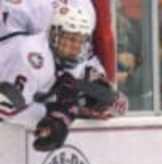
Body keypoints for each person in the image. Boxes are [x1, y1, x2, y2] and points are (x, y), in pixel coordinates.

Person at [0, 4, 116, 151]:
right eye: (69, 39)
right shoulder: (34, 59)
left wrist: (97, 80)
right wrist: (46, 116)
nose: (74, 47)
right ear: (54, 34)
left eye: (79, 41)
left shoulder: (66, 56)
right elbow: (4, 106)